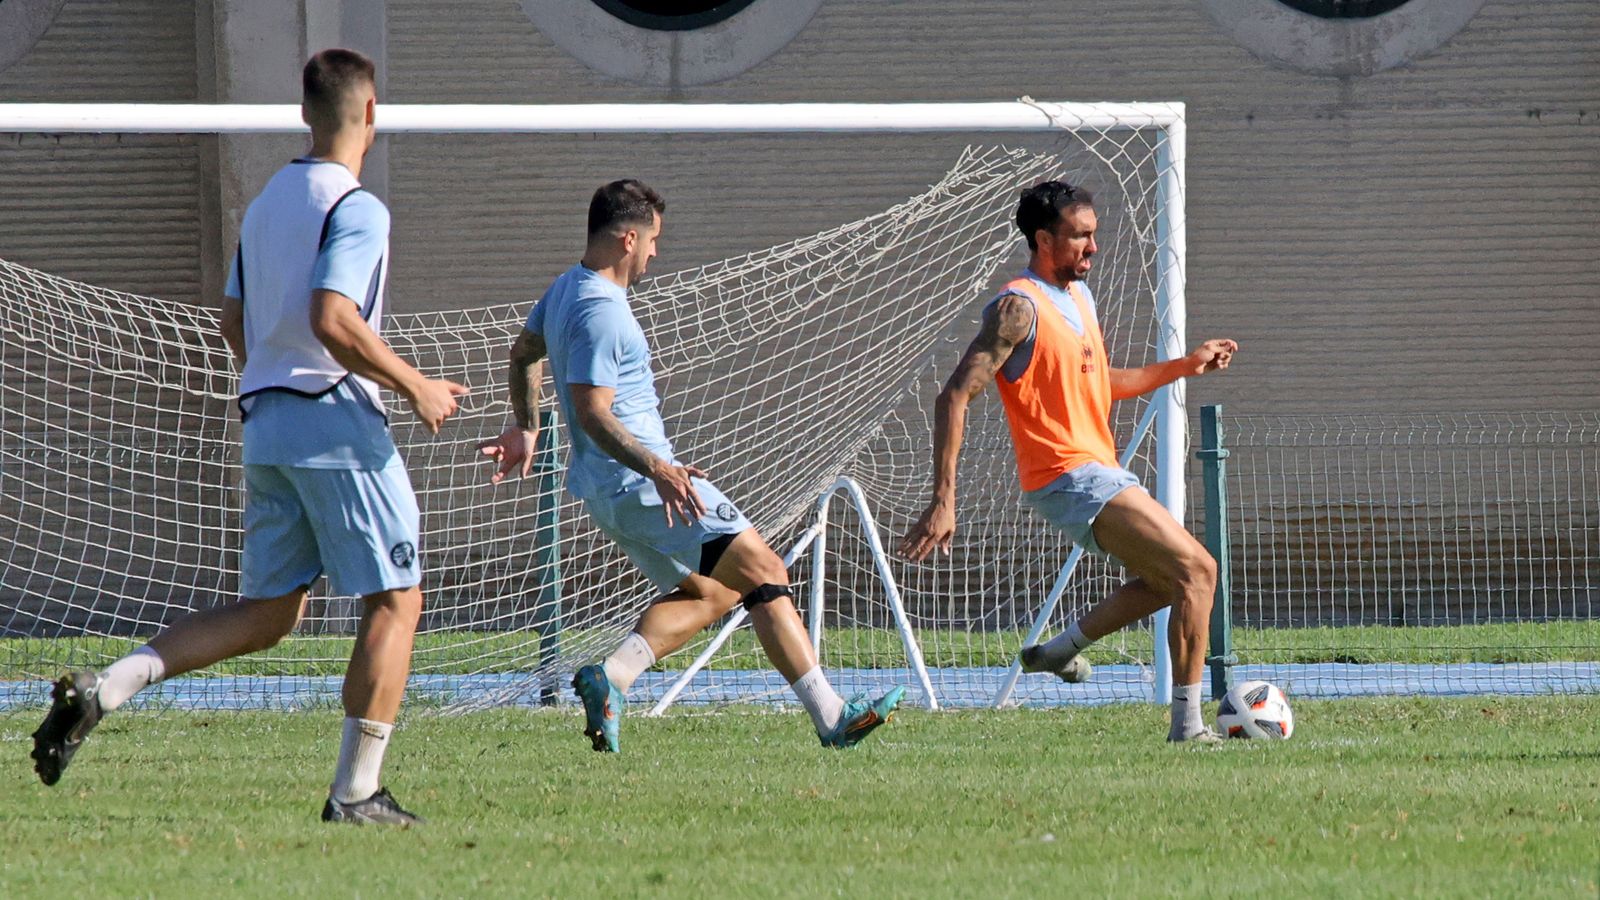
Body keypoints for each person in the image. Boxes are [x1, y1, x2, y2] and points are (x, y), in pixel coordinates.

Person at [30, 48, 467, 823]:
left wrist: (275, 373)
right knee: (397, 599)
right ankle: (356, 794)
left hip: (265, 424)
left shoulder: (267, 203)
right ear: (372, 114)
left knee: (271, 613)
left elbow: (235, 320)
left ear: (305, 113)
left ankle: (110, 688)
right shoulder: (358, 206)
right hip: (335, 420)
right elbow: (334, 318)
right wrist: (417, 386)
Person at [478, 179, 903, 753]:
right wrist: (658, 467)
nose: (656, 253)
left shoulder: (564, 289)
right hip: (641, 482)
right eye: (653, 240)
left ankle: (614, 679)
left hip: (609, 489)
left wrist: (527, 427)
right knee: (766, 570)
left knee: (712, 593)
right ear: (628, 239)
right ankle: (832, 718)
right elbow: (592, 410)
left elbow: (523, 351)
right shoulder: (603, 312)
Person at [898, 180, 1238, 743]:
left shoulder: (1080, 299)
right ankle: (1189, 728)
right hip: (1067, 476)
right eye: (1080, 236)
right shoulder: (1017, 309)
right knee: (1199, 571)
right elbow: (953, 395)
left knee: (1166, 581)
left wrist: (1185, 366)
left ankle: (1058, 651)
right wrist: (943, 499)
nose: (1093, 248)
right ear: (1042, 239)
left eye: (1093, 235)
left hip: (1095, 470)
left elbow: (1099, 386)